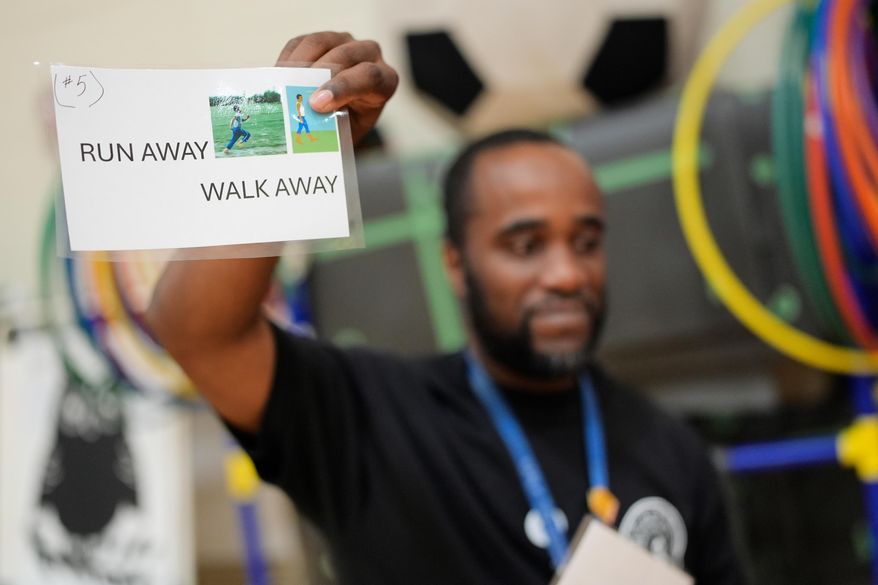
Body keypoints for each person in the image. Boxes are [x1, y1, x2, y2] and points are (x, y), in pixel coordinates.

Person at [146, 32, 742, 585]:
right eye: (525, 245)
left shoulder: (672, 453)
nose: (566, 274)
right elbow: (196, 332)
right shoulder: (369, 419)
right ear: (455, 263)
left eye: (586, 242)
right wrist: (281, 140)